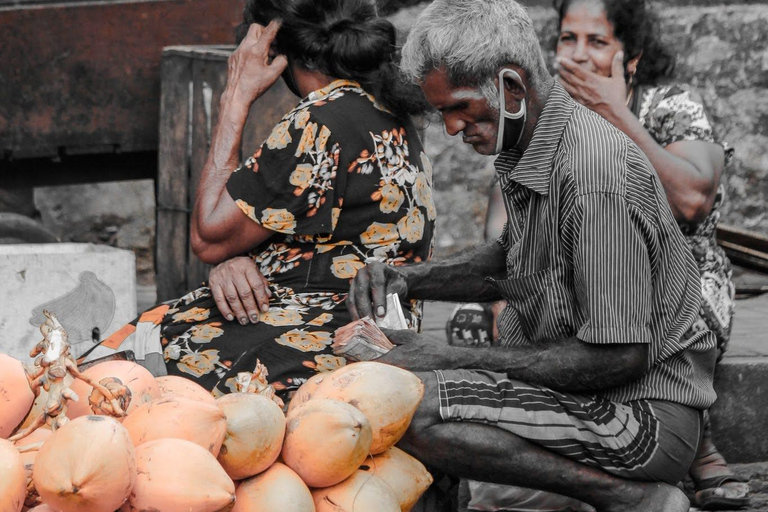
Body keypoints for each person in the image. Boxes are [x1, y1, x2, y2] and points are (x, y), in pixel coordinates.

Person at [348, 0, 718, 510]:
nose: (453, 128)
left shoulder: (592, 179)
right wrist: (410, 279)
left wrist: (449, 356)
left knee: (414, 410)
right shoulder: (533, 137)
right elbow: (510, 260)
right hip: (593, 398)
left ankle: (627, 497)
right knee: (422, 400)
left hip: (640, 417)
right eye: (443, 113)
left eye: (459, 108)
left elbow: (618, 354)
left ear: (513, 88)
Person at [100, 0, 435, 401]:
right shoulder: (389, 113)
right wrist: (237, 260)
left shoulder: (320, 120)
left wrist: (235, 97)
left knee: (125, 364)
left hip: (323, 335)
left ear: (274, 47)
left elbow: (209, 235)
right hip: (370, 327)